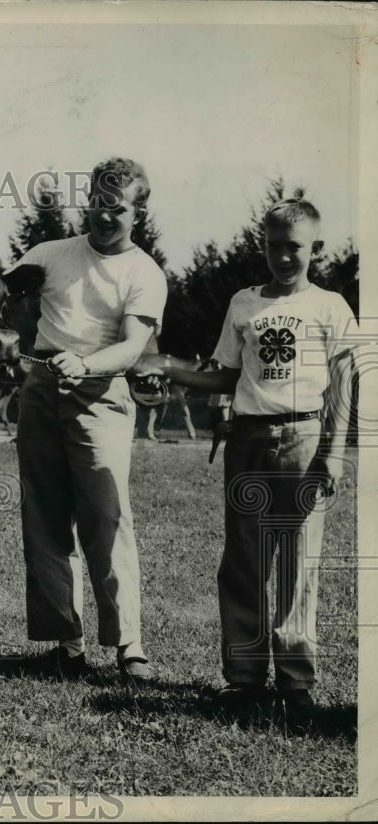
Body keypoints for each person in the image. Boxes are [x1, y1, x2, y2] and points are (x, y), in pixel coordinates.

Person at [137, 198, 357, 716]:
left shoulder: (330, 306)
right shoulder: (243, 303)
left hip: (303, 440)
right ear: (262, 246)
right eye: (273, 246)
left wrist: (334, 452)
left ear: (315, 249)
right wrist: (167, 366)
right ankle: (244, 678)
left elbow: (346, 383)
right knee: (242, 562)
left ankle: (296, 683)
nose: (282, 257)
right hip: (248, 442)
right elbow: (226, 375)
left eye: (294, 247)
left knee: (297, 564)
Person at [6, 157, 167, 681]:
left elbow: (131, 348)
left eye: (116, 208)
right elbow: (2, 299)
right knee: (45, 519)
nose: (103, 215)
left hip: (101, 395)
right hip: (40, 393)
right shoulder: (49, 254)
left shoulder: (144, 273)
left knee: (107, 519)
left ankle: (129, 648)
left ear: (137, 213)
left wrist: (86, 363)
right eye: (98, 202)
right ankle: (65, 645)